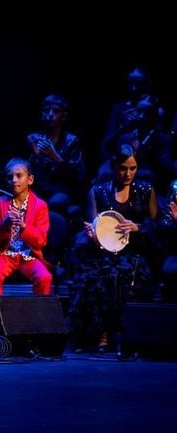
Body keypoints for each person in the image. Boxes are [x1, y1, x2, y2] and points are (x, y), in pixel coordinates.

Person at [70, 144, 158, 352]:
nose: (128, 174)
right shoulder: (98, 192)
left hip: (133, 251)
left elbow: (155, 225)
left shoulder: (146, 190)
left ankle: (125, 333)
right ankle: (101, 334)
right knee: (97, 277)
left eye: (133, 168)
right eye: (122, 168)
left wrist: (138, 227)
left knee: (125, 275)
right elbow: (95, 226)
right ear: (113, 167)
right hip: (102, 251)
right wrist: (93, 234)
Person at [0, 158, 53, 297]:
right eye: (10, 177)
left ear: (30, 180)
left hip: (29, 255)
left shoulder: (40, 205)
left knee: (45, 277)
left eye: (19, 175)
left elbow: (41, 241)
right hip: (5, 254)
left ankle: (39, 315)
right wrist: (4, 225)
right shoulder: (0, 203)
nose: (14, 180)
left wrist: (24, 227)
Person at [26, 94, 86, 217]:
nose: (50, 114)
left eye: (56, 111)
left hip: (61, 190)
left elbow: (78, 176)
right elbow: (23, 170)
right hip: (38, 188)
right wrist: (36, 156)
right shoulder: (32, 139)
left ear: (64, 116)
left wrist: (55, 156)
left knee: (56, 201)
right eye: (47, 110)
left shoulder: (71, 141)